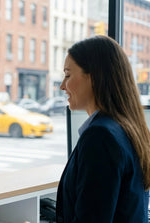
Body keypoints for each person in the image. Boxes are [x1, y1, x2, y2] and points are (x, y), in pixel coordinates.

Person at [56, 35, 150, 222]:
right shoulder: (128, 129)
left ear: (94, 77)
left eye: (68, 75)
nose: (62, 86)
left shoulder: (101, 136)